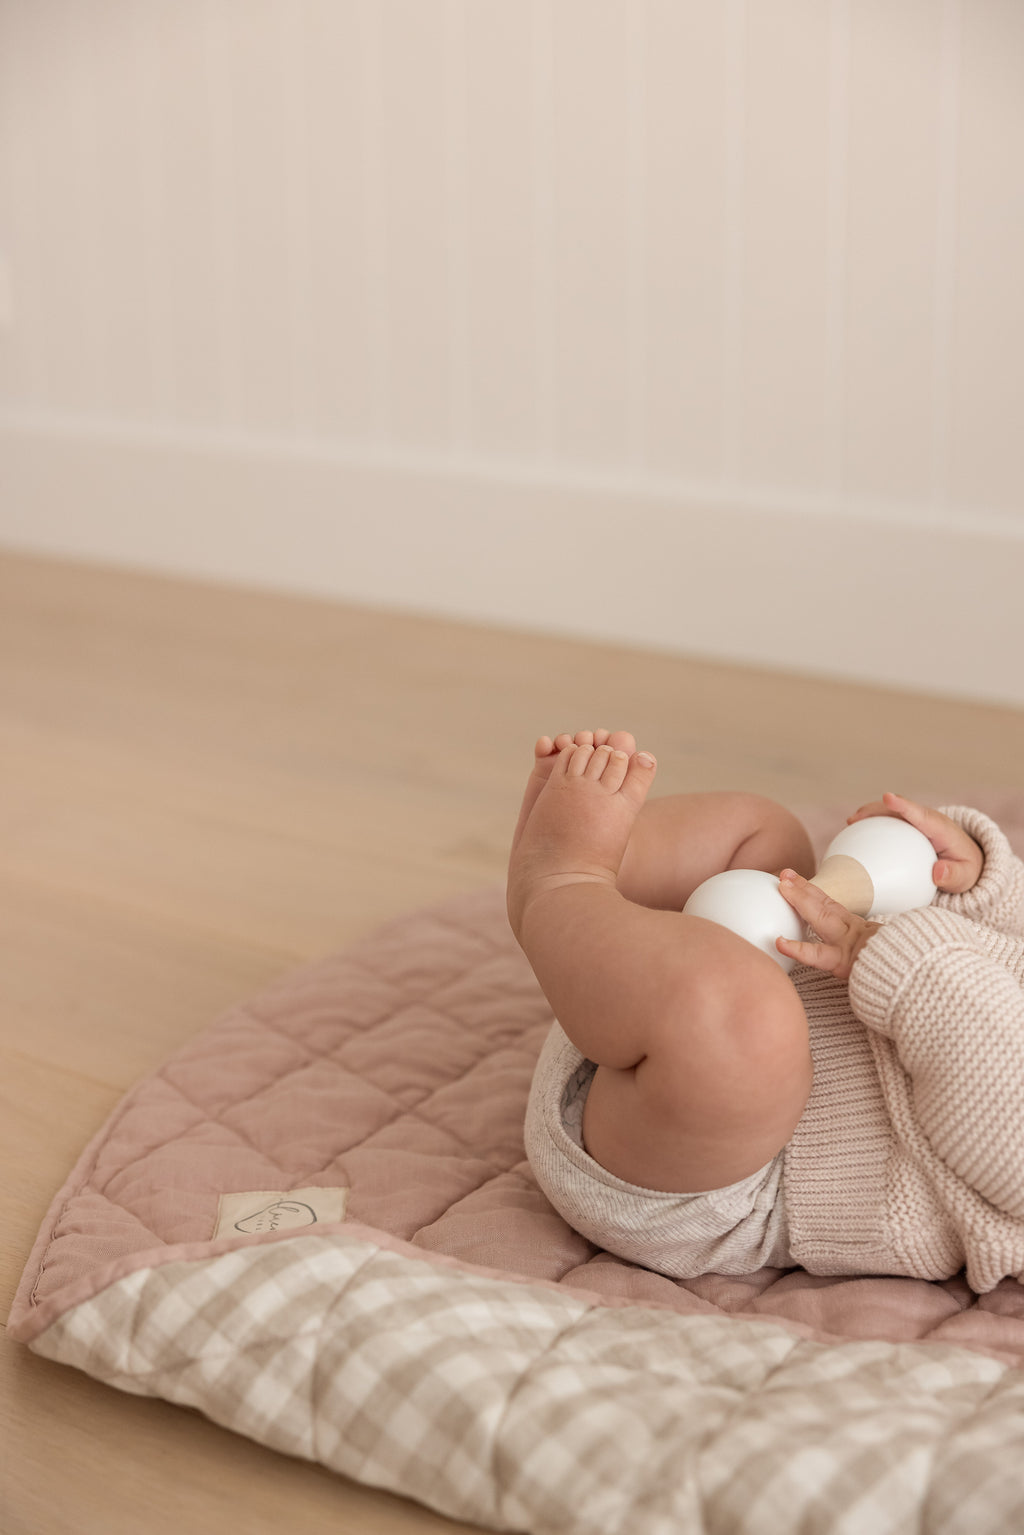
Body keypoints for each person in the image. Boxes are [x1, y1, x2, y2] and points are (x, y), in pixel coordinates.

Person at [508, 730, 1024, 1292]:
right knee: (760, 835)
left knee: (748, 1021)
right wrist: (977, 884)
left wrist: (907, 959)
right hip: (734, 971)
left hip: (727, 1165)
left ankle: (561, 883)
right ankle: (599, 874)